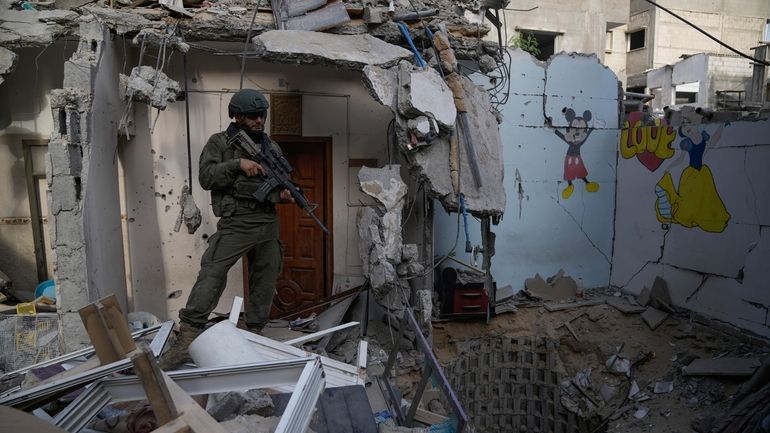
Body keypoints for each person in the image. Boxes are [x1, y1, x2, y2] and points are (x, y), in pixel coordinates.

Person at [160, 89, 292, 369]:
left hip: (267, 222)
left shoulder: (272, 148)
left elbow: (278, 184)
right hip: (236, 222)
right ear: (237, 116)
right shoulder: (220, 143)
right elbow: (207, 178)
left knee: (266, 278)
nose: (259, 120)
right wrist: (237, 164)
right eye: (252, 116)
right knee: (212, 273)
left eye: (262, 115)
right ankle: (187, 337)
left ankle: (254, 332)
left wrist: (282, 195)